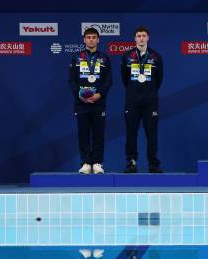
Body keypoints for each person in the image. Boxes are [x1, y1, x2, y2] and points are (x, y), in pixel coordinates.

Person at [69, 27, 112, 174]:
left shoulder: (104, 58)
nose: (91, 39)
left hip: (99, 102)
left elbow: (108, 81)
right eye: (89, 37)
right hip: (81, 103)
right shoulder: (76, 57)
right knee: (83, 133)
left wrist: (99, 94)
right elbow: (72, 81)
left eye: (94, 37)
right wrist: (79, 95)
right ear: (84, 40)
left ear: (98, 40)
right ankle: (86, 162)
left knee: (98, 134)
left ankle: (98, 163)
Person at [121, 26, 164, 173]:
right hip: (132, 102)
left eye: (144, 35)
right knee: (131, 134)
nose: (141, 38)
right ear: (134, 38)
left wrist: (148, 91)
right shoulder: (127, 56)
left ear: (148, 38)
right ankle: (131, 163)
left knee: (151, 135)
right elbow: (125, 80)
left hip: (150, 103)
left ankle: (153, 164)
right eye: (138, 36)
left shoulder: (156, 57)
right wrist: (135, 91)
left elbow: (159, 80)